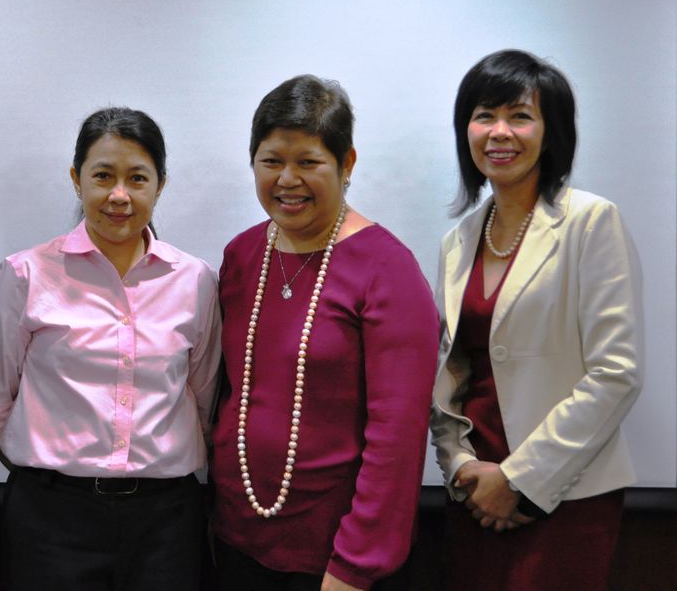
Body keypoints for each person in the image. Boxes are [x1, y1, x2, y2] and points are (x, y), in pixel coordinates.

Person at [0, 106, 221, 591]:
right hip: (51, 518)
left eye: (137, 178)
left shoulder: (195, 280)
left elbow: (204, 395)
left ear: (160, 184)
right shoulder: (26, 274)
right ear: (76, 179)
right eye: (102, 175)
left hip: (166, 520)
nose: (119, 195)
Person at [210, 75, 439, 591]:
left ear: (347, 163)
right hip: (234, 540)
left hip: (336, 559)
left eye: (308, 162)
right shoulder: (242, 255)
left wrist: (357, 563)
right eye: (271, 162)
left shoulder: (387, 270)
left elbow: (398, 437)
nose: (287, 179)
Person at [431, 49, 643, 590]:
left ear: (551, 134)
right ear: (466, 130)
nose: (500, 132)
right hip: (474, 492)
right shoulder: (457, 241)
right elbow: (450, 373)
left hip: (566, 495)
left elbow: (615, 373)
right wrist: (458, 467)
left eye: (520, 116)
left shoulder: (591, 223)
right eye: (484, 116)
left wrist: (520, 480)